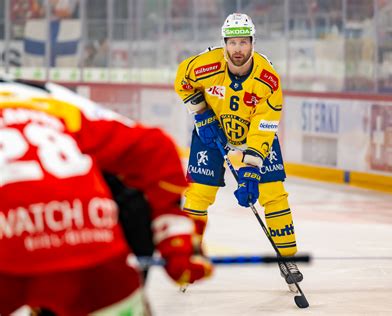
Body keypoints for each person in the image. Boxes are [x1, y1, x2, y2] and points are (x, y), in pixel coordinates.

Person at [0, 78, 213, 315]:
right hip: (94, 245)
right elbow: (156, 148)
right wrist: (175, 233)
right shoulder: (51, 100)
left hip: (10, 251)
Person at [174, 13, 303, 288]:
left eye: (243, 42)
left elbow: (264, 128)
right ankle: (188, 257)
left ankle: (287, 259)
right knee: (198, 194)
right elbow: (182, 81)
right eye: (232, 43)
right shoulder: (205, 65)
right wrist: (200, 113)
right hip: (211, 133)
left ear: (253, 43)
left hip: (251, 138)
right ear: (224, 44)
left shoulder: (268, 80)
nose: (237, 50)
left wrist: (252, 171)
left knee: (273, 194)